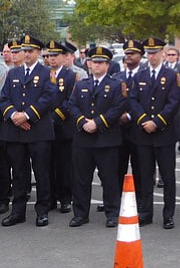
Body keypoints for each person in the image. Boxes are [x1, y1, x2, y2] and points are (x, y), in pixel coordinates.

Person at [0, 36, 57, 227]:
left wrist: (27, 116)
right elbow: (4, 98)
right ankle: (18, 212)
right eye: (24, 50)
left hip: (38, 131)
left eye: (30, 51)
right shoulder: (13, 73)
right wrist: (15, 115)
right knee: (19, 173)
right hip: (15, 132)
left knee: (41, 172)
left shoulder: (47, 72)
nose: (26, 54)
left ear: (39, 52)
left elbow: (48, 98)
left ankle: (42, 211)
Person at [68, 46, 126, 228]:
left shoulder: (116, 85)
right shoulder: (81, 84)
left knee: (109, 179)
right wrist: (83, 121)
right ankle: (80, 213)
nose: (97, 65)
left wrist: (97, 123)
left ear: (108, 65)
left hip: (106, 139)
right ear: (89, 64)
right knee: (81, 179)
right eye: (94, 62)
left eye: (101, 62)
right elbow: (72, 106)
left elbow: (118, 108)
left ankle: (112, 213)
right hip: (83, 138)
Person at [128, 37, 180, 229]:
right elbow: (133, 101)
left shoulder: (171, 75)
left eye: (154, 52)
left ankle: (168, 215)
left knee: (168, 177)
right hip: (143, 134)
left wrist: (157, 122)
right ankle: (146, 212)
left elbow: (174, 103)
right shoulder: (139, 76)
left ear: (162, 53)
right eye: (148, 53)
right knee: (145, 176)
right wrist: (144, 120)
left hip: (164, 133)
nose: (151, 56)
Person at [45, 41, 77, 214]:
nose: (52, 59)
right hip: (44, 127)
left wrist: (54, 117)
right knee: (47, 165)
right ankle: (50, 198)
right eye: (49, 56)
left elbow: (70, 101)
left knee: (64, 166)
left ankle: (65, 198)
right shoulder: (43, 74)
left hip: (63, 128)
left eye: (55, 55)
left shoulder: (70, 76)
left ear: (64, 57)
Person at [112, 40, 144, 207]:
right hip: (118, 129)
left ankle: (139, 201)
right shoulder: (117, 78)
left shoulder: (145, 75)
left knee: (140, 168)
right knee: (117, 167)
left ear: (141, 55)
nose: (129, 56)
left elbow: (145, 102)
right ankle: (116, 200)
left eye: (133, 53)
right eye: (127, 54)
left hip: (139, 128)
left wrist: (130, 116)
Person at [164, 46, 180, 155]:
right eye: (169, 55)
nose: (171, 57)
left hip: (179, 100)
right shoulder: (163, 68)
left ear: (177, 56)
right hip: (166, 100)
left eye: (173, 55)